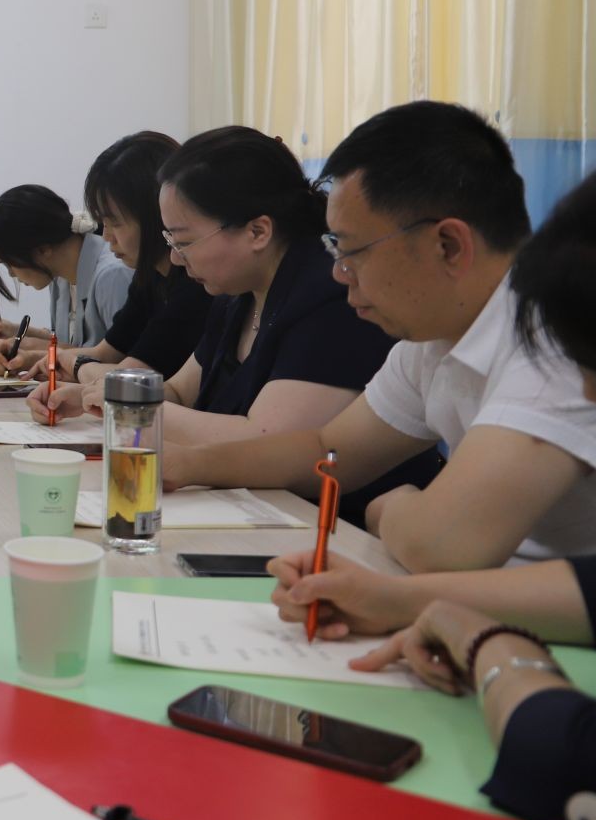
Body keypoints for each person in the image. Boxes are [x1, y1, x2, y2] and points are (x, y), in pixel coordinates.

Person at [261, 164, 596, 820]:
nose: (340, 274)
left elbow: (561, 758)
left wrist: (485, 638)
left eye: (350, 250)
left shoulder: (545, 345)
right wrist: (401, 602)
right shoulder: (442, 335)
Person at [174, 104, 595, 567]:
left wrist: (388, 507)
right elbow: (327, 450)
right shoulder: (432, 339)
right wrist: (186, 465)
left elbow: (439, 546)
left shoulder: (554, 342)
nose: (339, 274)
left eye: (351, 251)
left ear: (448, 245)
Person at [30, 126, 435, 521]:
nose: (175, 259)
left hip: (323, 526)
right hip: (254, 511)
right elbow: (179, 391)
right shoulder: (236, 294)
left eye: (183, 242)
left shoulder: (331, 295)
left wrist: (132, 408)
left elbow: (271, 442)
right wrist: (98, 396)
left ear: (258, 231)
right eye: (170, 242)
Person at [61, 132, 211, 388]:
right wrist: (50, 359)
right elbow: (106, 353)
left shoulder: (197, 284)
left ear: (157, 214)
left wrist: (75, 365)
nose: (106, 237)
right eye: (103, 223)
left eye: (115, 223)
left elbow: (130, 379)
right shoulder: (150, 275)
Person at [0, 184, 132, 374]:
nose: (12, 274)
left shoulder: (112, 275)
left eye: (9, 264)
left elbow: (123, 361)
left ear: (42, 249)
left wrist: (33, 354)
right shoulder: (59, 273)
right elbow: (71, 343)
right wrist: (17, 332)